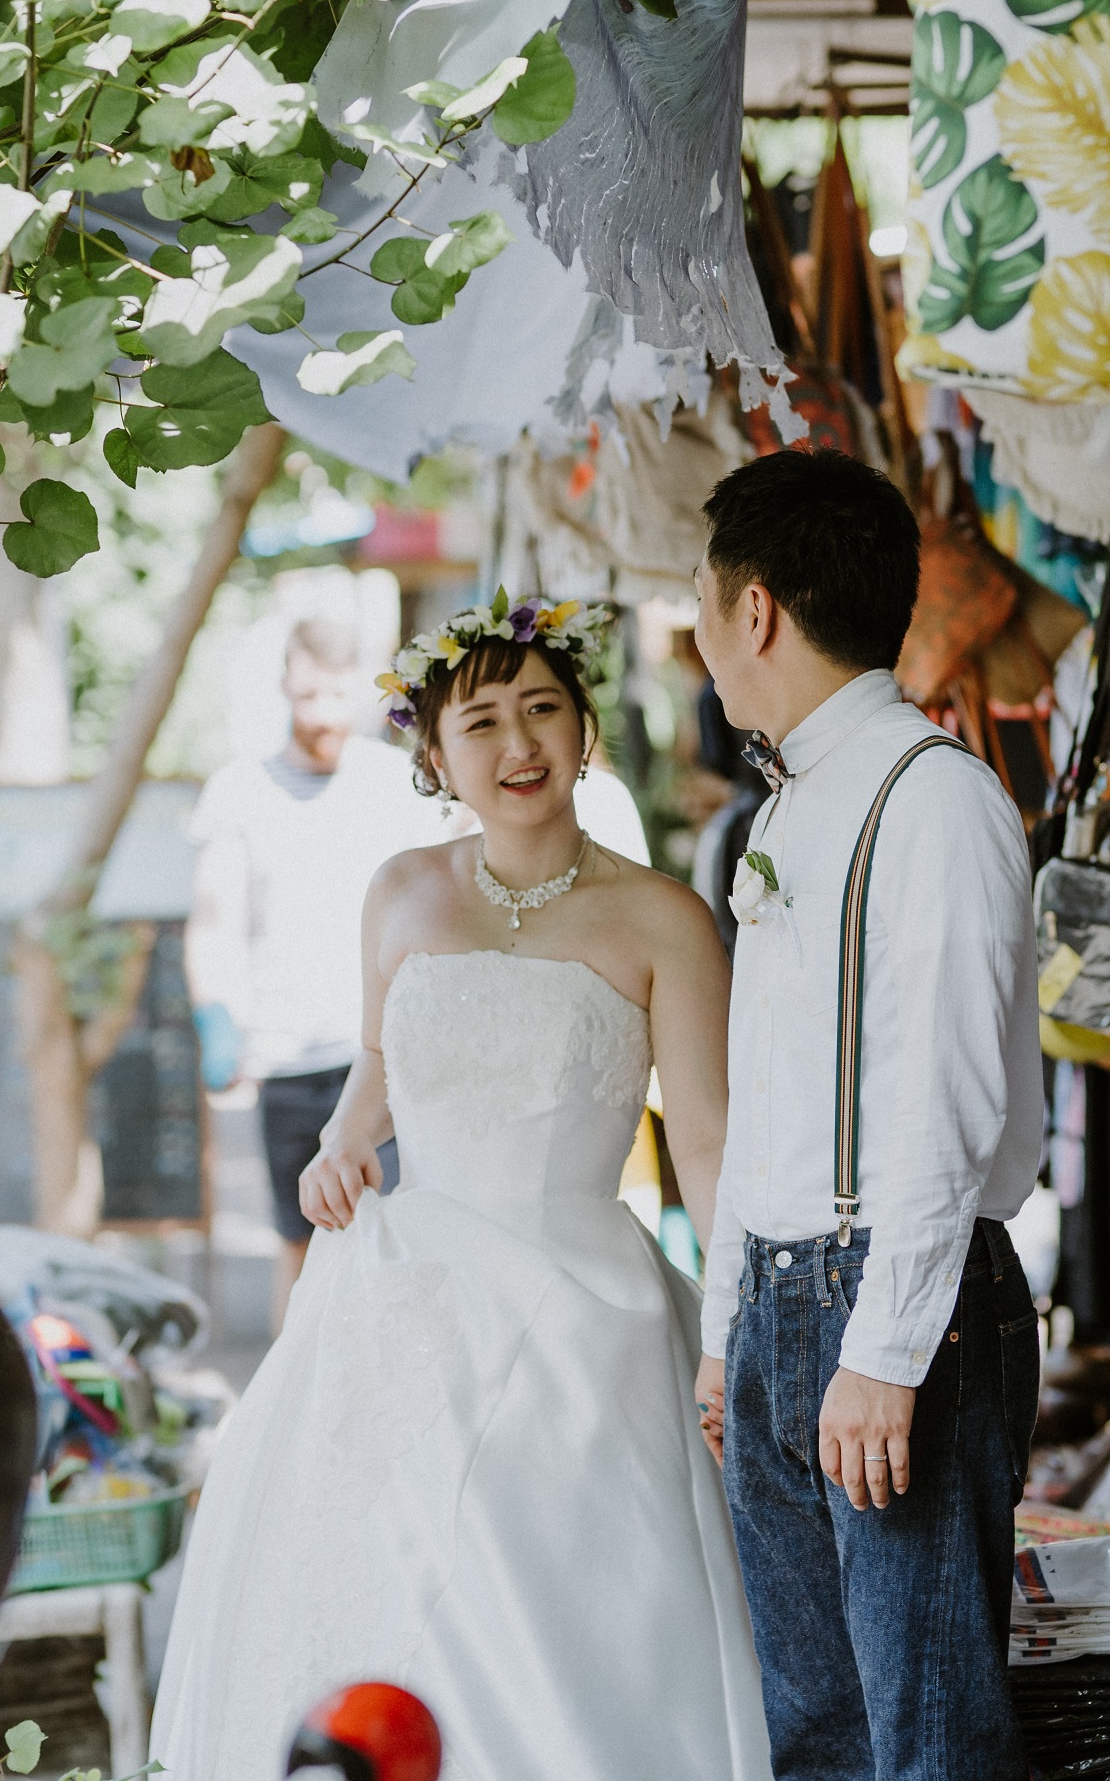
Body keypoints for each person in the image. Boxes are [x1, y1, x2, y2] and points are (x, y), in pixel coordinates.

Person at [152, 597, 771, 1781]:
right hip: (402, 1296)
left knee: (557, 1604)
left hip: (584, 1311)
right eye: (479, 719)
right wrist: (338, 1147)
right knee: (367, 1576)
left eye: (542, 707)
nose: (517, 742)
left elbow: (707, 1136)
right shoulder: (400, 890)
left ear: (587, 731)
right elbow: (379, 1070)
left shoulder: (662, 916)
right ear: (435, 756)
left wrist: (726, 1331)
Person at [691, 450, 1044, 1781]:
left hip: (899, 1302)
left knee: (928, 1736)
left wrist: (886, 1349)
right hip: (785, 1307)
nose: (706, 642)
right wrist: (732, 1323)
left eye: (706, 608)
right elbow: (768, 1096)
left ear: (760, 611)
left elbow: (945, 1100)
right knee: (820, 1739)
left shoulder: (935, 797)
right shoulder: (791, 805)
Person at [185, 618, 451, 1331]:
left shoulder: (396, 785)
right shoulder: (240, 791)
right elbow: (213, 923)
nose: (322, 714)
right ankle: (290, 1409)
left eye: (335, 695)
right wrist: (219, 1023)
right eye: (307, 695)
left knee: (395, 1236)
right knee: (301, 1244)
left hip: (389, 1054)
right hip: (288, 1058)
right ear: (284, 688)